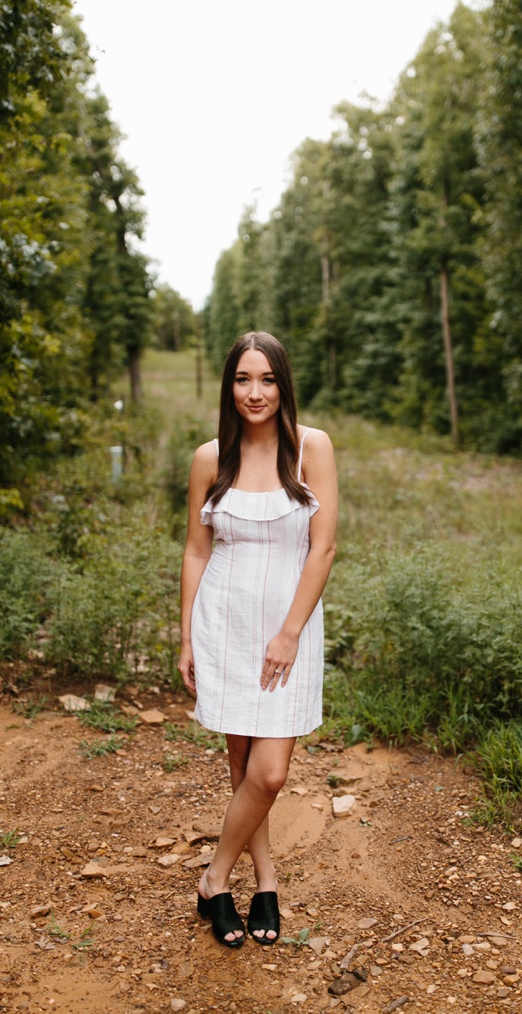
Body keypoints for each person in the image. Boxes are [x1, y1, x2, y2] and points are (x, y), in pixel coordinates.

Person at [179, 331, 338, 949]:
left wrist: (291, 632)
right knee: (242, 765)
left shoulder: (311, 450)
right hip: (224, 621)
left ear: (283, 385)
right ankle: (264, 879)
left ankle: (214, 878)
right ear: (230, 387)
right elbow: (197, 549)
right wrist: (186, 634)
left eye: (267, 379)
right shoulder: (209, 458)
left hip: (286, 629)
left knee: (269, 772)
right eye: (243, 380)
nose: (255, 392)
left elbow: (322, 547)